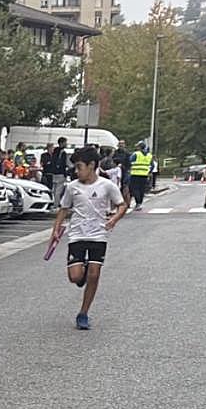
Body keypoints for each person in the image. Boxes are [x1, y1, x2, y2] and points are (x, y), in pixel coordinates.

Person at [50, 145, 128, 331]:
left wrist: (114, 219)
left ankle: (83, 313)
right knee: (75, 277)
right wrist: (55, 231)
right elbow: (63, 209)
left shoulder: (107, 185)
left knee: (95, 274)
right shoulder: (72, 187)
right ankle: (82, 272)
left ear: (91, 165)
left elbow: (122, 205)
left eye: (79, 167)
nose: (76, 171)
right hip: (77, 235)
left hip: (98, 235)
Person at [128, 140, 153, 210]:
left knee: (135, 189)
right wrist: (149, 172)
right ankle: (140, 203)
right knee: (142, 189)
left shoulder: (136, 154)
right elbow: (152, 165)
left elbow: (129, 161)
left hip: (135, 174)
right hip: (144, 175)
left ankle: (138, 203)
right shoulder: (149, 155)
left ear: (139, 147)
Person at [50, 136, 70, 206]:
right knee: (58, 191)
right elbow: (65, 163)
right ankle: (56, 205)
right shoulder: (63, 152)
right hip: (61, 173)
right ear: (61, 143)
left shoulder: (55, 151)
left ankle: (52, 203)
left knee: (54, 190)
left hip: (54, 173)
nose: (66, 144)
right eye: (65, 142)